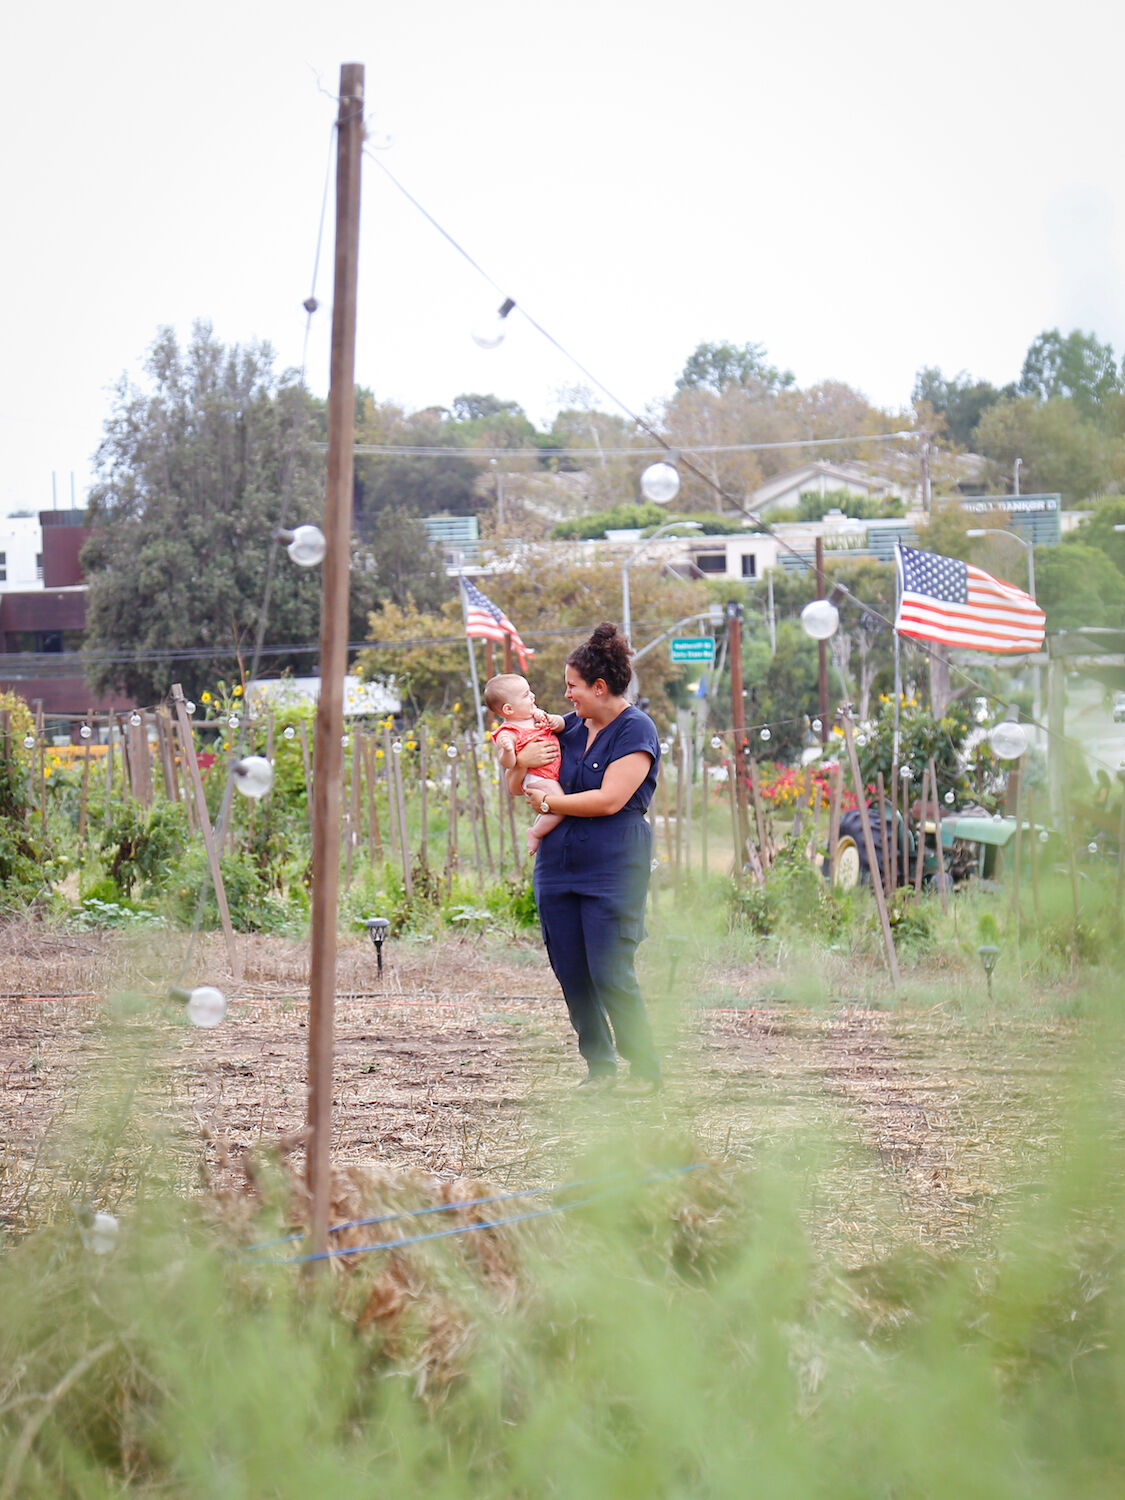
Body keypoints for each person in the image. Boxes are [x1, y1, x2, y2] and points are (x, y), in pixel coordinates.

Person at [511, 622, 662, 1093]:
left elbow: (609, 800)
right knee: (572, 972)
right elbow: (519, 783)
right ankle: (599, 1068)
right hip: (558, 866)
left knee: (610, 971)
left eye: (573, 687)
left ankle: (645, 1069)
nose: (566, 695)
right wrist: (518, 762)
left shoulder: (636, 729)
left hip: (614, 866)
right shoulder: (566, 729)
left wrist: (550, 805)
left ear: (600, 687)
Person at [485, 673, 566, 855]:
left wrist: (556, 721)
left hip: (548, 773)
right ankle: (535, 833)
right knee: (560, 808)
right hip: (537, 777)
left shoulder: (536, 716)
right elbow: (509, 763)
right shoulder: (508, 732)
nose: (532, 697)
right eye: (525, 695)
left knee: (553, 808)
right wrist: (507, 750)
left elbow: (562, 725)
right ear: (508, 709)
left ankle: (538, 828)